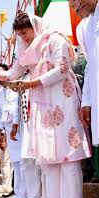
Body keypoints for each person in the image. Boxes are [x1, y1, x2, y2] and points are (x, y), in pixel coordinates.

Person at [0, 11, 91, 198]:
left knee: (68, 155)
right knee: (48, 157)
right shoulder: (28, 51)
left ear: (34, 26)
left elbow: (62, 70)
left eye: (25, 33)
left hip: (63, 100)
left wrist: (31, 84)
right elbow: (10, 75)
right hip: (44, 108)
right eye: (20, 35)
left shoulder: (54, 39)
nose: (24, 38)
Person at [71, 0, 99, 181]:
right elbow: (90, 67)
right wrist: (87, 101)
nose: (76, 6)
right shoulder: (85, 26)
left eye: (77, 0)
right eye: (72, 4)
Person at [0, 63, 25, 198]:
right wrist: (0, 133)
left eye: (1, 73)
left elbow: (18, 108)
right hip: (8, 129)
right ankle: (18, 194)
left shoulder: (15, 87)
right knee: (16, 163)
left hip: (18, 128)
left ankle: (25, 196)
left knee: (23, 162)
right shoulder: (0, 93)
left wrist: (15, 124)